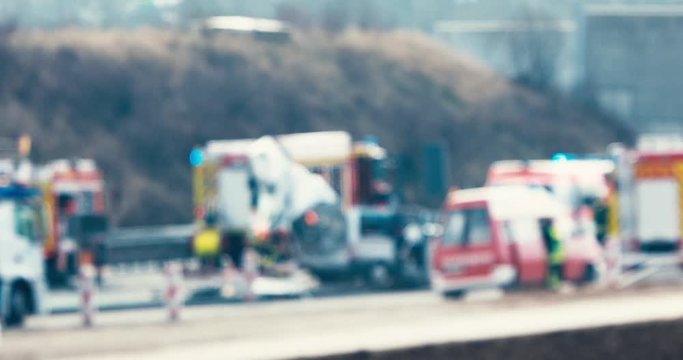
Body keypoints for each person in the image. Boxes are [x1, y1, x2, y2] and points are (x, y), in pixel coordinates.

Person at [540, 218, 564, 290]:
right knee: (555, 271)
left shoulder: (549, 231)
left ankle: (553, 284)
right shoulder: (554, 231)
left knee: (553, 271)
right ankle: (554, 284)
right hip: (557, 254)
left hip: (554, 254)